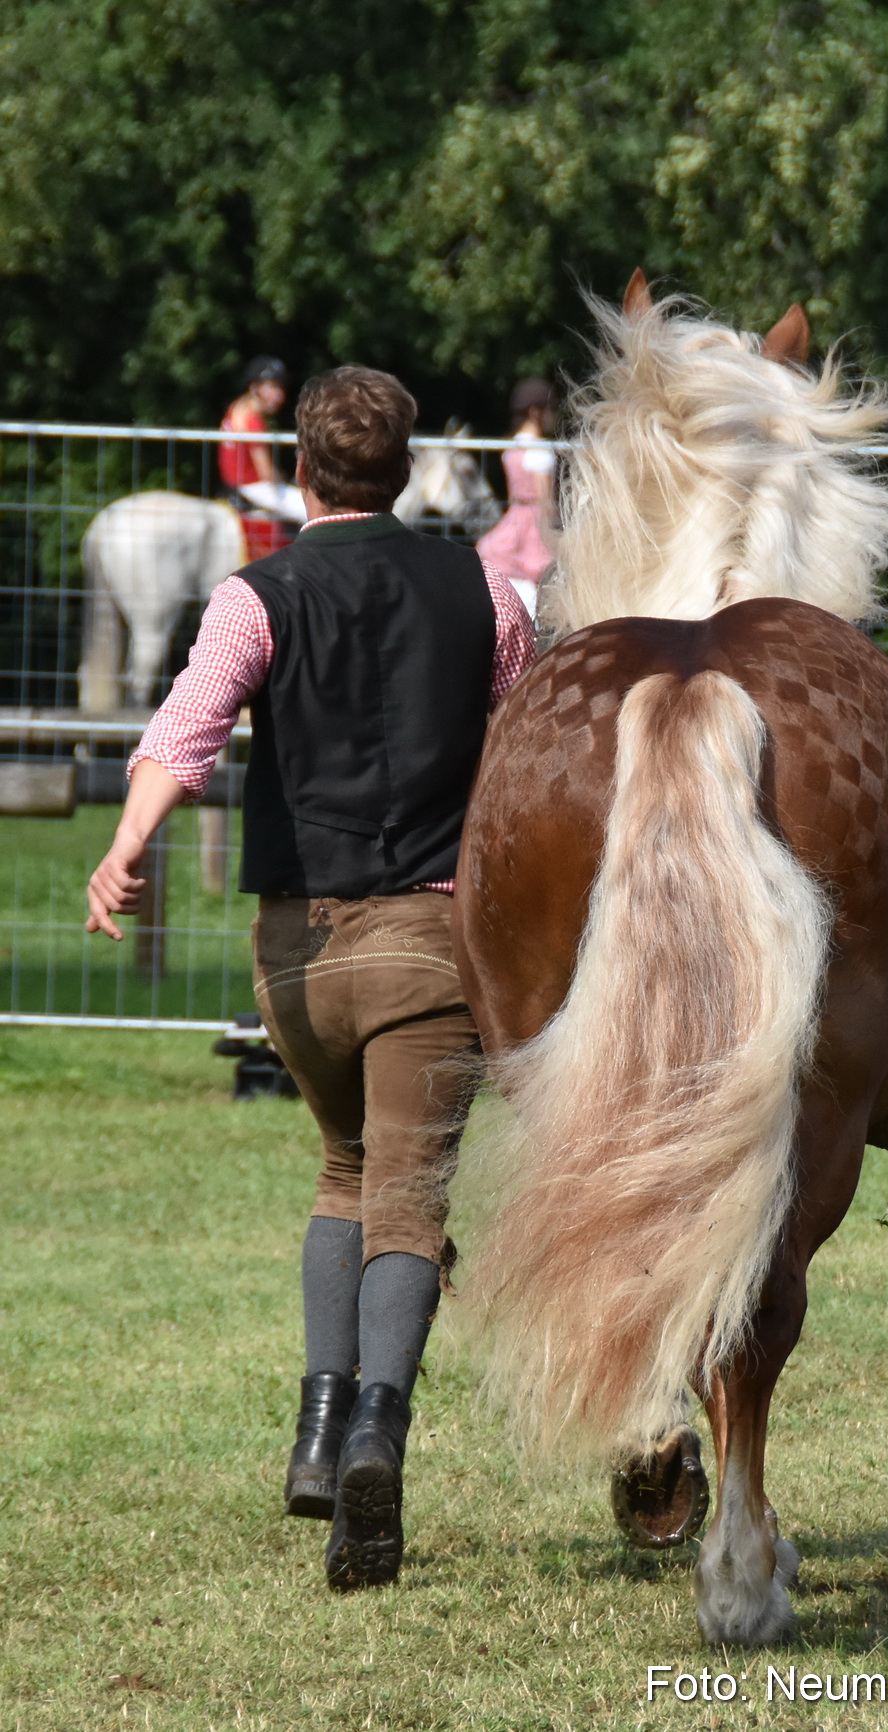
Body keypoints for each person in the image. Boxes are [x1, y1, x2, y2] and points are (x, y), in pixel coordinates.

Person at [86, 365, 536, 1592]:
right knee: (408, 1200)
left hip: (296, 954)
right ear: (404, 465)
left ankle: (316, 1434)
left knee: (344, 1172)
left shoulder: (255, 593)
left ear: (305, 463)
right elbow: (529, 744)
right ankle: (379, 1427)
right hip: (429, 947)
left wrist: (126, 848)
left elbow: (185, 729)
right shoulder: (486, 590)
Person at [475, 378, 558, 614]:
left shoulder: (512, 448)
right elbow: (546, 502)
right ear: (535, 411)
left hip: (514, 519)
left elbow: (513, 497)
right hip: (534, 522)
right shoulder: (540, 450)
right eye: (551, 410)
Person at [219, 357, 290, 501]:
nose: (279, 395)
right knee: (306, 508)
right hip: (253, 488)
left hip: (234, 486)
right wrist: (283, 479)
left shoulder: (236, 409)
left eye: (280, 387)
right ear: (255, 388)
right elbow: (266, 473)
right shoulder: (252, 420)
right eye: (272, 387)